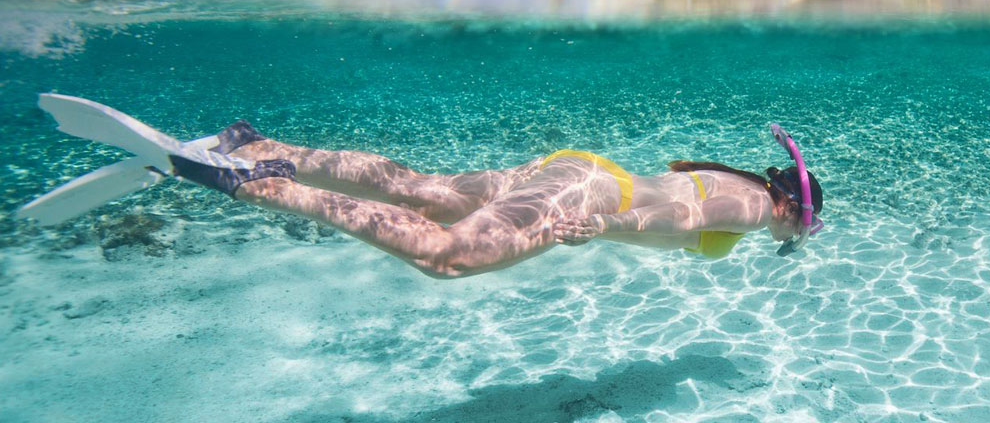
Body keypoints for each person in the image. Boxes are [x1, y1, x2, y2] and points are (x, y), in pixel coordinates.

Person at [166, 121, 824, 278]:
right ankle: (260, 185)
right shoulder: (750, 208)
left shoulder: (741, 183)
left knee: (420, 188)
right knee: (447, 254)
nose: (802, 235)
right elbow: (677, 216)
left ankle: (252, 144)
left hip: (579, 167)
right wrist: (594, 225)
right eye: (808, 224)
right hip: (589, 193)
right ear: (791, 207)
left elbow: (677, 205)